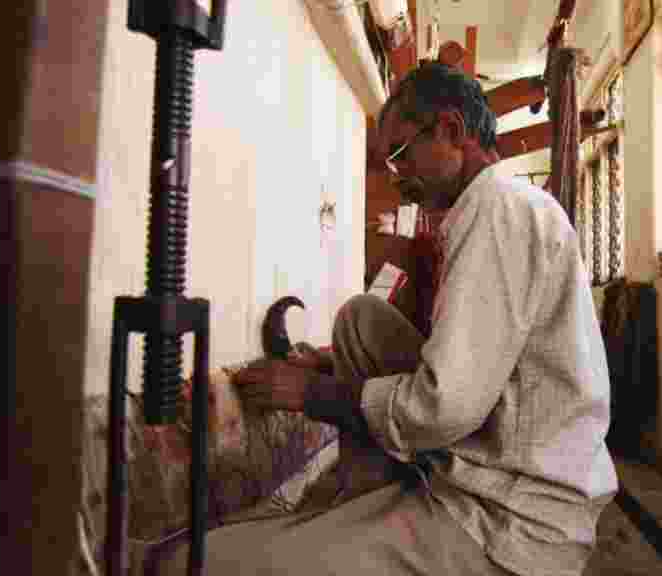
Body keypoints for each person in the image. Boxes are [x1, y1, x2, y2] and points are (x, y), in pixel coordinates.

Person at [209, 61, 618, 576]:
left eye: (402, 154)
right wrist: (333, 363)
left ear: (451, 130)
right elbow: (475, 347)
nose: (398, 177)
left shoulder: (497, 212)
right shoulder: (499, 208)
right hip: (494, 471)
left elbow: (444, 404)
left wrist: (310, 395)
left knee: (221, 565)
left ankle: (384, 521)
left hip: (508, 523)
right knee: (362, 319)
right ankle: (367, 494)